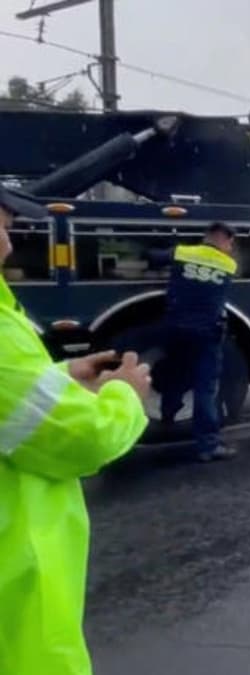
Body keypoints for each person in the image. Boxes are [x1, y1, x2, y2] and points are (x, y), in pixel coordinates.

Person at [0, 185, 151, 674]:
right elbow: (84, 438)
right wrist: (125, 393)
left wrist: (61, 378)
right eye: (1, 222)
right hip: (15, 593)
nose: (8, 239)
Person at [158, 222, 239, 462]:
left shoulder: (182, 252)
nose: (231, 248)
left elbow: (155, 257)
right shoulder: (229, 265)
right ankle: (208, 446)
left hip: (176, 328)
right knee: (205, 388)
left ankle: (167, 415)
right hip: (206, 333)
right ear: (224, 239)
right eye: (231, 243)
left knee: (175, 374)